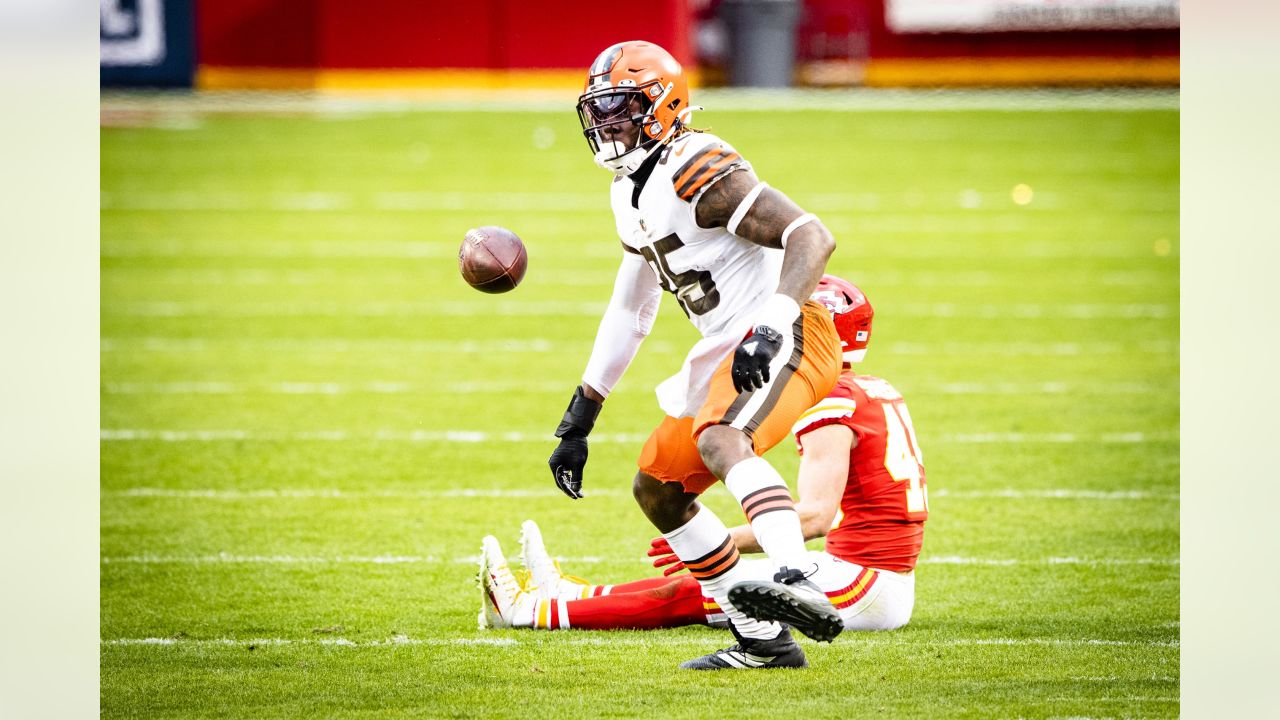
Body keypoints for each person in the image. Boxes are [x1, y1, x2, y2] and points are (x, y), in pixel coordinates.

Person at [544, 40, 847, 669]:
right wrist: (581, 415)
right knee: (658, 487)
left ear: (662, 106)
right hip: (725, 348)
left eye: (622, 108)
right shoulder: (629, 193)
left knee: (719, 438)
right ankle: (762, 640)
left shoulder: (696, 164)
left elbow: (809, 236)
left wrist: (772, 322)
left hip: (791, 330)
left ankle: (796, 575)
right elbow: (630, 311)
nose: (608, 124)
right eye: (599, 111)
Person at [486, 278, 928, 654]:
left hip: (864, 584)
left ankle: (529, 612)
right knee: (704, 580)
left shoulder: (833, 398)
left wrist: (722, 540)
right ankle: (567, 594)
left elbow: (816, 515)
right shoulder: (872, 387)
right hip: (872, 577)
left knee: (699, 589)